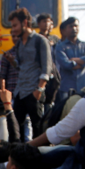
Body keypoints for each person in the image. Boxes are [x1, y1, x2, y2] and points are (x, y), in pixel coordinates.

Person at [9, 8, 52, 141]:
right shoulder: (20, 43)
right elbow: (21, 66)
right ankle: (19, 155)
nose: (13, 29)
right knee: (17, 127)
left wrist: (39, 90)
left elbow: (47, 68)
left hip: (34, 90)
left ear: (25, 23)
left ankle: (37, 156)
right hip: (20, 91)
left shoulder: (40, 41)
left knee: (37, 127)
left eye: (15, 25)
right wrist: (12, 61)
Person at [55, 17, 85, 100]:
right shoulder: (60, 47)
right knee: (67, 111)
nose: (74, 28)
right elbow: (66, 65)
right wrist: (83, 63)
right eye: (71, 26)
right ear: (65, 30)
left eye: (76, 26)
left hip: (83, 87)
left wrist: (74, 60)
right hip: (66, 88)